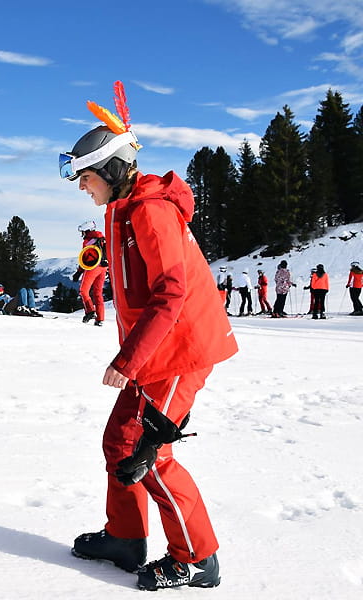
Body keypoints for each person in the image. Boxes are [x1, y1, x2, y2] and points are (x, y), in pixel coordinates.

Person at [59, 89, 237, 591]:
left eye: (86, 178)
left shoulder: (151, 211)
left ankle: (197, 559)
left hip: (180, 349)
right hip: (157, 349)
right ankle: (125, 537)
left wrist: (128, 359)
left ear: (113, 172)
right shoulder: (124, 207)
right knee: (119, 441)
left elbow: (171, 293)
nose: (81, 188)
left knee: (149, 453)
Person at [73, 221, 108, 326]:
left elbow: (85, 258)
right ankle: (100, 319)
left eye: (83, 232)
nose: (82, 234)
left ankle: (90, 311)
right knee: (98, 293)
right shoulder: (103, 238)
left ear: (87, 231)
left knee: (83, 290)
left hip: (93, 268)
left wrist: (79, 272)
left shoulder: (89, 241)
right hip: (104, 268)